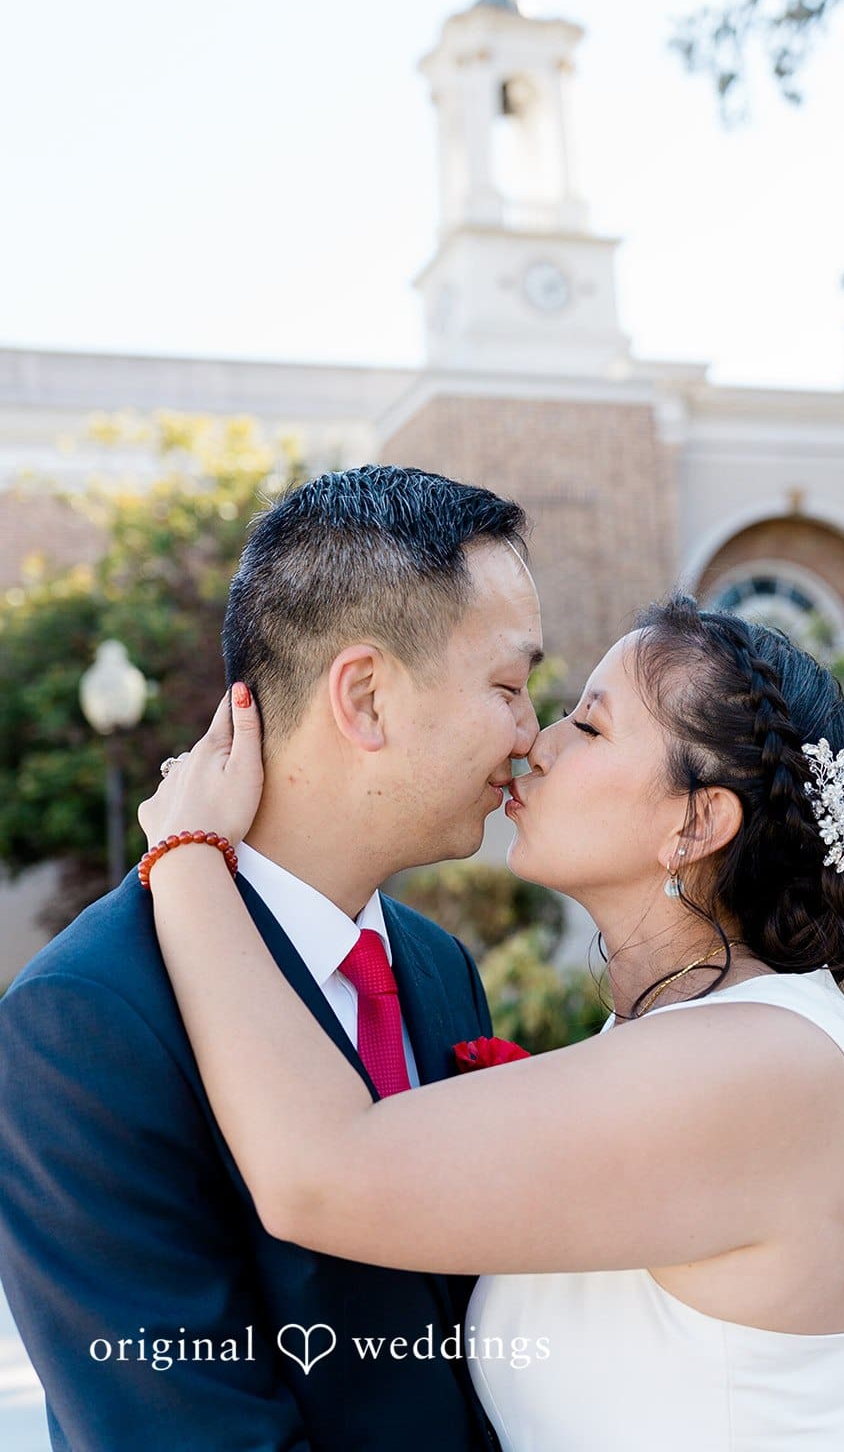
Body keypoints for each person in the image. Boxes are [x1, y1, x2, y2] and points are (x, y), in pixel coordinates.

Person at [137, 592, 844, 1452]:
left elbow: (315, 1176)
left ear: (694, 822)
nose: (532, 745)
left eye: (587, 727)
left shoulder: (752, 1066)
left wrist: (187, 856)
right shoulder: (697, 1037)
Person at [0, 465, 544, 1452]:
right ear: (366, 697)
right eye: (508, 686)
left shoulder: (434, 966)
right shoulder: (81, 1016)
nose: (529, 734)